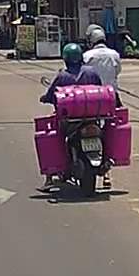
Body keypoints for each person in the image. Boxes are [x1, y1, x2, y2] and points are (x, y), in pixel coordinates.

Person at [39, 42, 104, 191]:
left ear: (65, 58)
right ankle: (106, 170)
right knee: (104, 133)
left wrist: (45, 98)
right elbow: (100, 90)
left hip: (70, 121)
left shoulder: (62, 76)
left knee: (55, 138)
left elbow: (51, 95)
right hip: (92, 118)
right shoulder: (91, 72)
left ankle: (50, 177)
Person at [82, 26, 122, 106]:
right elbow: (117, 71)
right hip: (111, 94)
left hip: (93, 95)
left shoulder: (87, 56)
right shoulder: (114, 54)